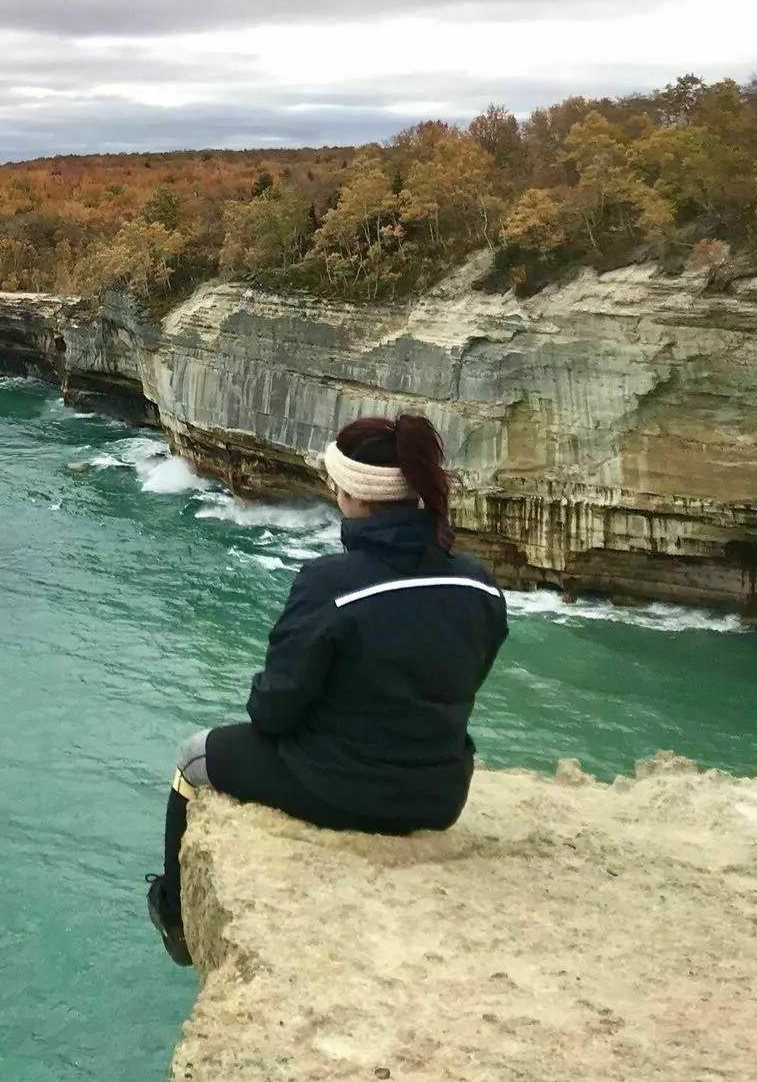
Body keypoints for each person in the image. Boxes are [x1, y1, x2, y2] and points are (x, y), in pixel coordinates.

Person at [146, 412, 509, 966]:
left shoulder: (329, 585)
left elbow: (274, 712)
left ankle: (173, 914)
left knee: (193, 756)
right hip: (440, 796)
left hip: (344, 791)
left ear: (348, 494)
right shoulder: (477, 582)